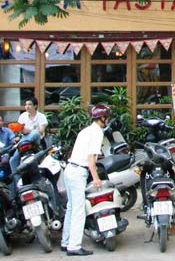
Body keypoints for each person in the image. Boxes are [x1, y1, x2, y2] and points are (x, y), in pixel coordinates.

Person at [61, 104, 111, 256]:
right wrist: (96, 178)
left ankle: (66, 241)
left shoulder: (86, 130)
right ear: (102, 118)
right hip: (78, 173)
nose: (107, 120)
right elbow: (91, 159)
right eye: (106, 117)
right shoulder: (97, 133)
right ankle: (74, 246)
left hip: (70, 169)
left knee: (71, 207)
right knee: (78, 210)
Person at [9, 97, 48, 181]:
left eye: (30, 104)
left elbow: (41, 131)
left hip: (36, 140)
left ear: (35, 106)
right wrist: (21, 132)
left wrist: (29, 131)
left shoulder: (41, 116)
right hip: (24, 140)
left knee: (34, 133)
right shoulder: (23, 116)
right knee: (12, 161)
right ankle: (17, 182)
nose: (27, 106)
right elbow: (20, 130)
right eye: (26, 104)